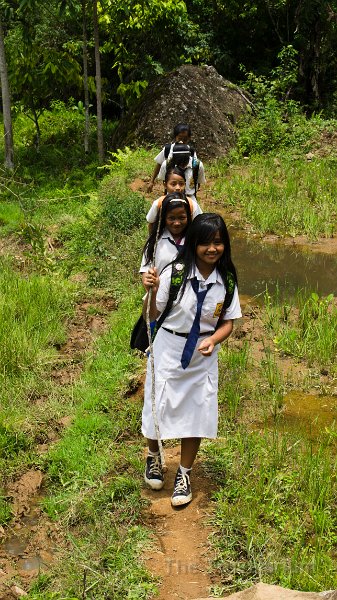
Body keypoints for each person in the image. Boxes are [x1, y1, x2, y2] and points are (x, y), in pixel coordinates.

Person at [142, 213, 242, 507]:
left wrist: (213, 339)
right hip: (169, 347)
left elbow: (228, 322)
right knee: (156, 405)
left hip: (202, 356)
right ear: (194, 244)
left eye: (219, 242)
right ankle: (154, 456)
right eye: (206, 243)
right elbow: (151, 315)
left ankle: (184, 473)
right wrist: (150, 292)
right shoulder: (175, 272)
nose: (213, 249)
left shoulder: (228, 279)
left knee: (196, 413)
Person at [139, 192, 192, 284]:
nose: (177, 223)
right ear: (163, 218)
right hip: (160, 296)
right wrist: (147, 279)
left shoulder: (195, 240)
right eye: (171, 218)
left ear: (188, 217)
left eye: (182, 218)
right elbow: (145, 270)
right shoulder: (154, 242)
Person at [146, 165, 202, 234]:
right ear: (165, 185)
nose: (178, 188)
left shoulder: (192, 204)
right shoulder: (159, 204)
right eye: (173, 184)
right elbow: (151, 223)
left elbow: (199, 226)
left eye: (181, 184)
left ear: (185, 184)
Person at [147, 123, 193, 193]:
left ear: (189, 138)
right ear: (175, 137)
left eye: (185, 139)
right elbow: (159, 164)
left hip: (186, 190)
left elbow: (196, 168)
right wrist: (151, 181)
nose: (182, 141)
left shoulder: (191, 151)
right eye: (180, 138)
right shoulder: (168, 149)